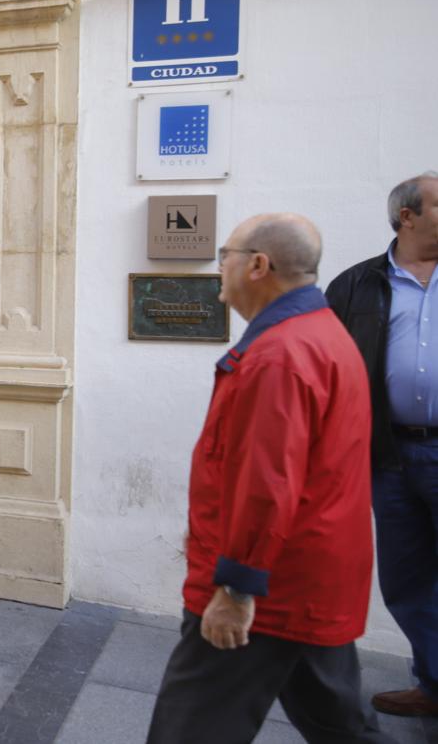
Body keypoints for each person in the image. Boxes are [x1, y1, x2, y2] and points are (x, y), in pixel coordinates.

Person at [147, 213, 391, 743]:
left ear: (258, 265)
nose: (220, 270)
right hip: (308, 576)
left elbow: (266, 483)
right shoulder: (316, 333)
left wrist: (237, 587)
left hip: (270, 586)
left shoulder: (280, 355)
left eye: (226, 256)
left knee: (189, 727)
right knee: (340, 724)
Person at [326, 171, 438, 718]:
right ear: (408, 216)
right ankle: (434, 683)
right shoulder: (356, 285)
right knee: (406, 575)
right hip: (388, 454)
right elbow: (329, 370)